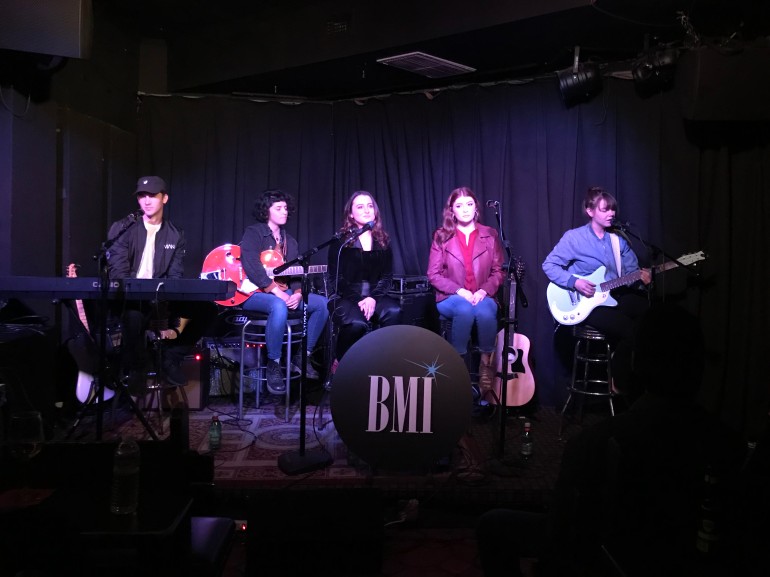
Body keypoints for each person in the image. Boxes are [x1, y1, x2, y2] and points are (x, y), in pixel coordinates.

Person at [476, 302, 746, 577]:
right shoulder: (730, 446)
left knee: (492, 524)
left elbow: (561, 535)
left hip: (604, 559)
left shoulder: (593, 443)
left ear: (632, 365)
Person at [106, 176, 216, 394]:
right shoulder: (122, 229)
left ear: (164, 198)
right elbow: (118, 273)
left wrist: (166, 306)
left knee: (208, 309)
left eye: (152, 196)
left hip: (160, 298)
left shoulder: (175, 234)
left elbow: (174, 275)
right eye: (142, 196)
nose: (146, 201)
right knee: (134, 315)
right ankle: (137, 368)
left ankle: (170, 357)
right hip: (130, 299)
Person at [542, 186, 651, 395]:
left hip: (613, 295)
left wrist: (642, 279)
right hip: (588, 303)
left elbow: (630, 273)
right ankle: (618, 377)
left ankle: (628, 366)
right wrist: (574, 282)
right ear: (590, 211)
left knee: (649, 314)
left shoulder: (618, 240)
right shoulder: (574, 238)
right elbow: (549, 265)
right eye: (605, 210)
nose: (611, 214)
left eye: (612, 210)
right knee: (629, 329)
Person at [239, 189, 329, 394]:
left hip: (283, 293)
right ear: (266, 211)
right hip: (254, 294)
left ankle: (302, 356)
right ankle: (274, 364)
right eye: (278, 208)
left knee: (322, 304)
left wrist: (297, 293)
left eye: (286, 208)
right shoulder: (254, 233)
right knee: (278, 305)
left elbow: (295, 274)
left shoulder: (291, 242)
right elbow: (251, 266)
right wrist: (275, 291)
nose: (284, 212)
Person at [426, 186, 504, 394]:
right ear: (452, 210)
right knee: (464, 309)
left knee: (487, 311)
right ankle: (456, 367)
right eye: (459, 206)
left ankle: (486, 364)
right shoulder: (441, 236)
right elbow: (433, 275)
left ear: (476, 208)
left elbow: (498, 271)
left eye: (469, 204)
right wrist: (460, 291)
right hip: (450, 297)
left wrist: (483, 291)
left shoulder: (489, 235)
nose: (466, 209)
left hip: (482, 295)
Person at [326, 191, 401, 375]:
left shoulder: (383, 240)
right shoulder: (341, 242)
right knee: (356, 324)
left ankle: (381, 366)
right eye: (360, 206)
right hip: (346, 296)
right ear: (351, 214)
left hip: (375, 295)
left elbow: (387, 276)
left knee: (394, 311)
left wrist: (373, 298)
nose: (366, 210)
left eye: (369, 206)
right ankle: (340, 360)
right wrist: (360, 299)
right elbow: (336, 279)